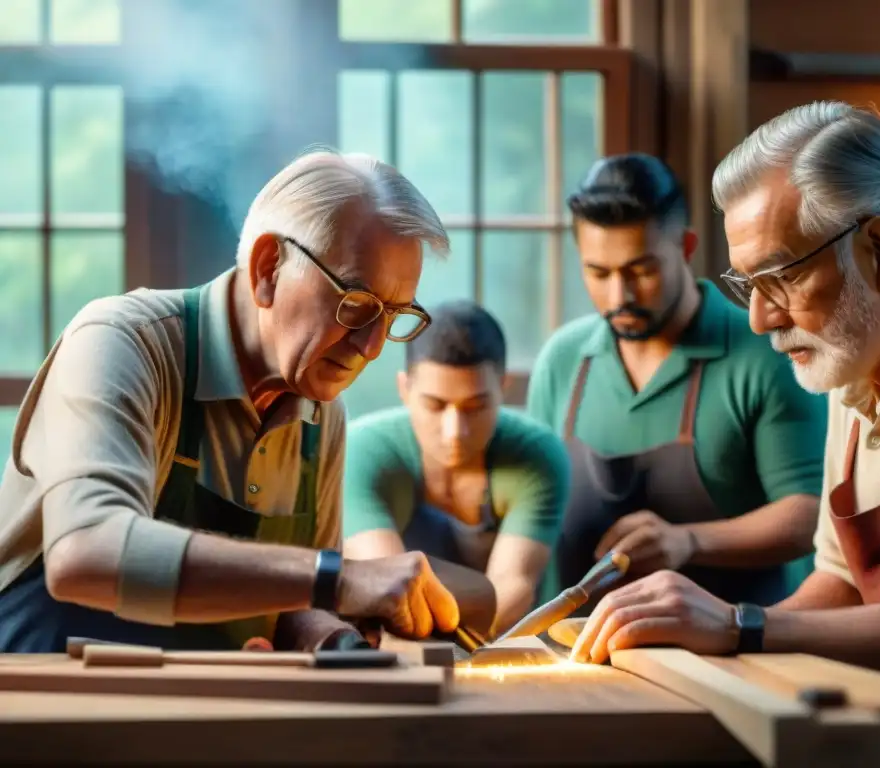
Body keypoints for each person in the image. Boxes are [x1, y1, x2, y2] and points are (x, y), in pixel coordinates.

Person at [569, 103, 880, 765]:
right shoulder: (858, 343)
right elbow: (838, 586)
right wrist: (703, 642)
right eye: (745, 283)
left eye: (779, 277)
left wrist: (738, 625)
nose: (758, 319)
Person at [0, 150, 462, 653]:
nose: (372, 348)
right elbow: (86, 554)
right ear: (268, 267)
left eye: (393, 316)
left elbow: (296, 603)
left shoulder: (320, 412)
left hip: (194, 711)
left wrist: (332, 637)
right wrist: (339, 577)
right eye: (355, 305)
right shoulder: (124, 342)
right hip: (45, 702)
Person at [527, 153, 827, 610]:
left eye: (641, 270)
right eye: (598, 273)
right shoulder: (563, 360)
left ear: (686, 248)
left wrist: (688, 541)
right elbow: (530, 507)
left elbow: (811, 515)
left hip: (730, 658)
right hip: (573, 653)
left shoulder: (764, 354)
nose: (618, 296)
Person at [342, 300, 570, 637]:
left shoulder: (536, 454)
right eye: (435, 405)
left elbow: (509, 593)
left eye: (475, 407)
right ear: (405, 389)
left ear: (502, 387)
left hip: (502, 644)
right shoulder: (361, 451)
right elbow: (385, 591)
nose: (455, 431)